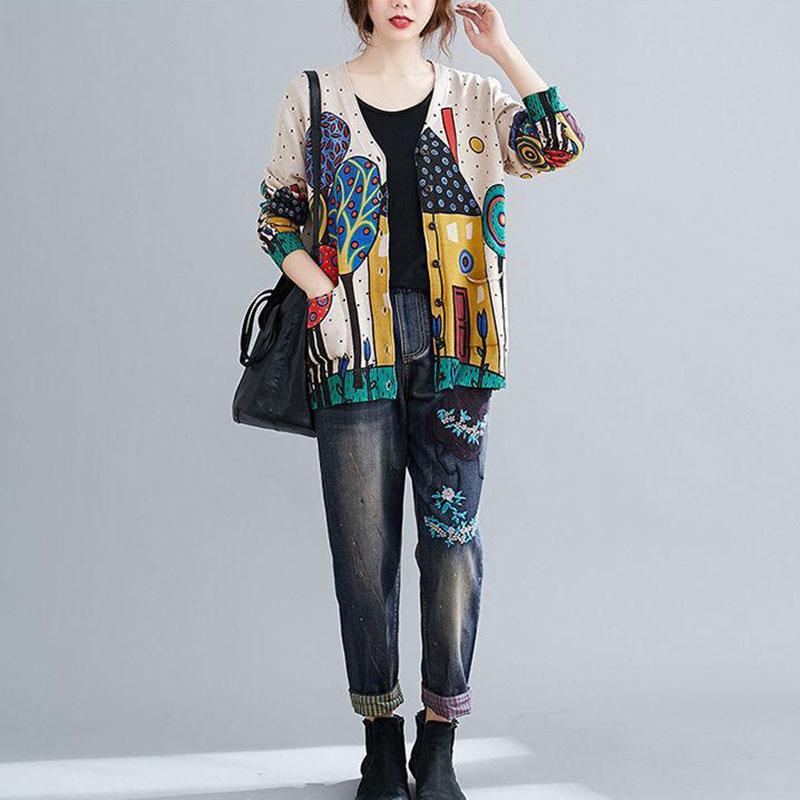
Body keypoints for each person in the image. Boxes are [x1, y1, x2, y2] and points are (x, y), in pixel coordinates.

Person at [256, 2, 586, 797]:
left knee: (450, 545)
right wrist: (320, 289)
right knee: (362, 556)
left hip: (457, 354)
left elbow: (559, 145)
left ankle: (439, 741)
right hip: (352, 348)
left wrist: (503, 47)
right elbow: (276, 216)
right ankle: (380, 741)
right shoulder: (313, 94)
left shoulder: (474, 96)